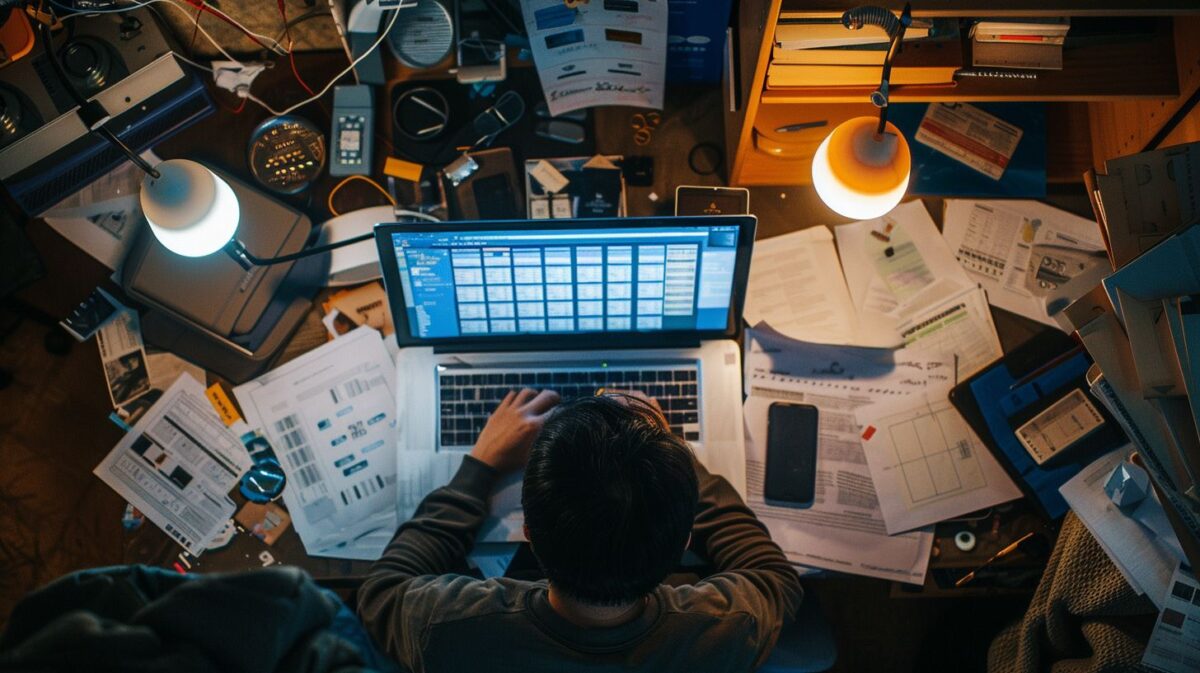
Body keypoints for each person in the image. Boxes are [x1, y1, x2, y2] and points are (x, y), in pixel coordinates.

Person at [357, 388, 803, 672]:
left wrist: (480, 466)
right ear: (684, 543)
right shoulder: (726, 629)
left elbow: (381, 593)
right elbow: (774, 576)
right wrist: (671, 459)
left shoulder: (445, 627)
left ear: (528, 532)